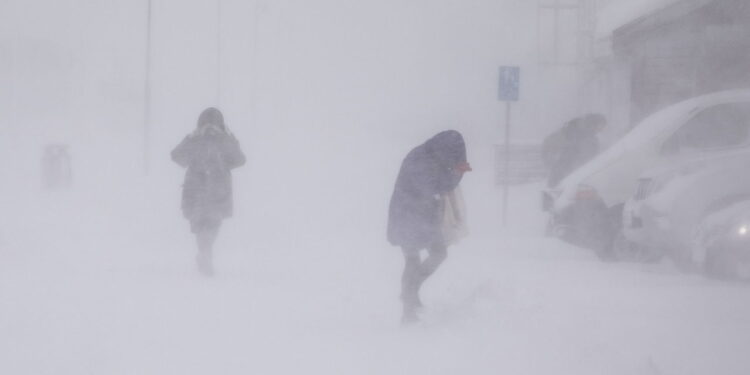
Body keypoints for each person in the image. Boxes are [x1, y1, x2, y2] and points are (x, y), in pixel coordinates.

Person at [387, 130, 472, 324]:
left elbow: (438, 185)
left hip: (421, 218)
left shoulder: (432, 157)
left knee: (437, 254)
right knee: (413, 259)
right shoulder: (420, 159)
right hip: (407, 217)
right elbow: (435, 187)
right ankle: (408, 310)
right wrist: (457, 174)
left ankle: (410, 295)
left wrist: (456, 170)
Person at [171, 107, 246, 276]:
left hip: (194, 190)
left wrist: (189, 138)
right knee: (213, 224)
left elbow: (176, 156)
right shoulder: (224, 140)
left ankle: (204, 254)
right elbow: (240, 160)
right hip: (218, 190)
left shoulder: (195, 140)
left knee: (199, 225)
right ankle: (206, 254)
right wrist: (231, 139)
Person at [542, 113, 606, 187]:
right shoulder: (579, 135)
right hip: (569, 172)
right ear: (594, 124)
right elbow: (581, 156)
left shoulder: (585, 134)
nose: (602, 129)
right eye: (601, 126)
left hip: (570, 172)